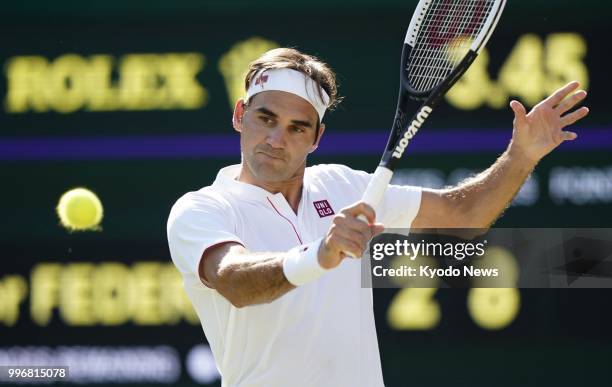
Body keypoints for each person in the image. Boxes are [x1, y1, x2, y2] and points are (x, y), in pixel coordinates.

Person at [167, 48, 589, 386]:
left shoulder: (343, 185)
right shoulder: (202, 209)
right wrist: (322, 253)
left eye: (298, 128)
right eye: (266, 119)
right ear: (240, 115)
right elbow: (236, 281)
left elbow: (465, 214)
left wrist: (522, 155)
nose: (277, 139)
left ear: (317, 138)